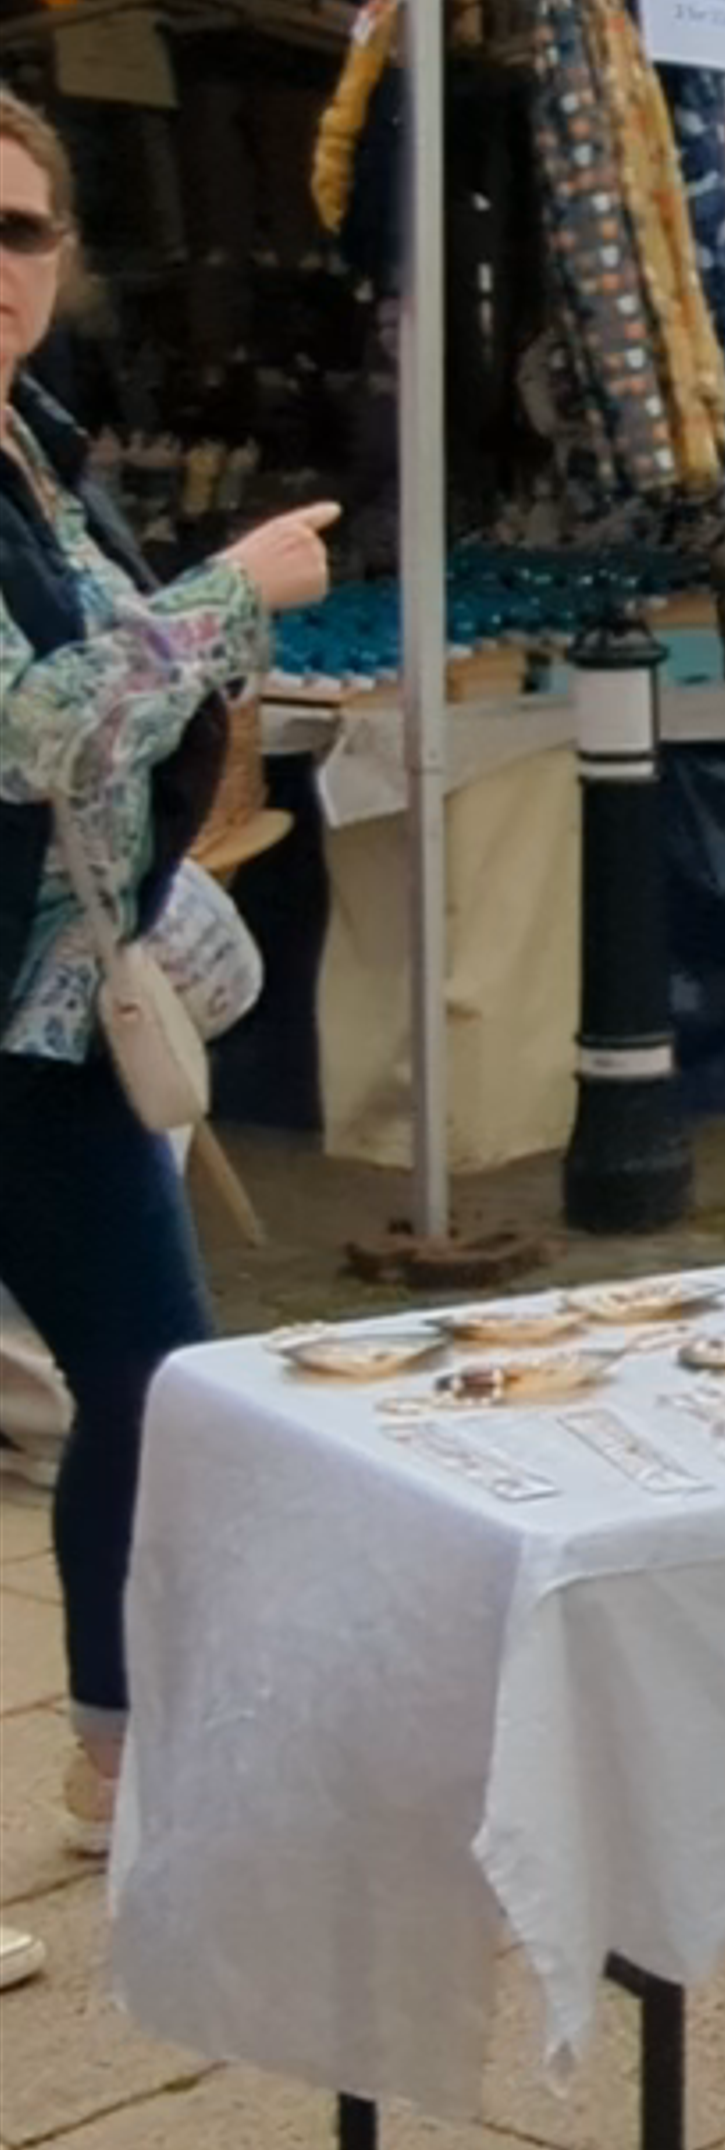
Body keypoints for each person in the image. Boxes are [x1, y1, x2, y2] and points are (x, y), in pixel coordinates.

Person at [0, 95, 335, 1863]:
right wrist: (231, 586)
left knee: (156, 1380)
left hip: (51, 1008)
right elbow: (31, 724)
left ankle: (126, 1750)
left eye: (20, 232)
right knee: (151, 1378)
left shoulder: (36, 447)